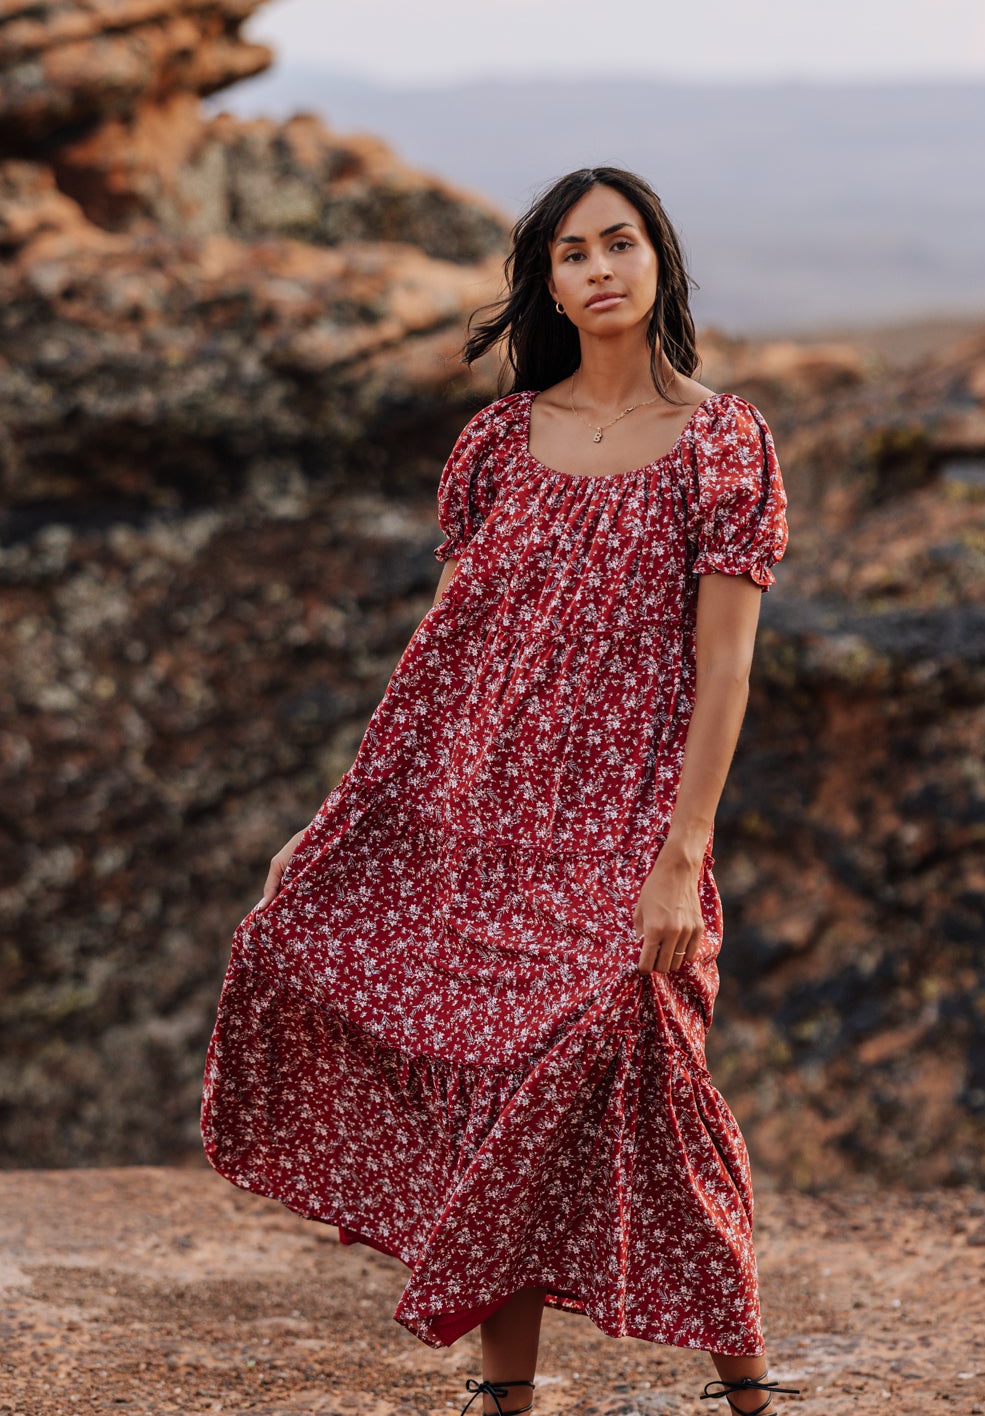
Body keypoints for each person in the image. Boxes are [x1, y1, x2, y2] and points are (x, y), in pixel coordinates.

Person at [200, 165, 800, 1416]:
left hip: (622, 821)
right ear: (547, 283)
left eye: (619, 242)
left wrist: (680, 852)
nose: (599, 267)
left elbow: (727, 665)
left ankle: (742, 1373)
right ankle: (505, 1388)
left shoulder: (721, 444)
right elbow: (441, 650)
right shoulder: (495, 444)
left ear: (659, 260)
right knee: (490, 1083)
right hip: (476, 811)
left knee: (636, 1054)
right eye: (571, 251)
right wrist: (336, 821)